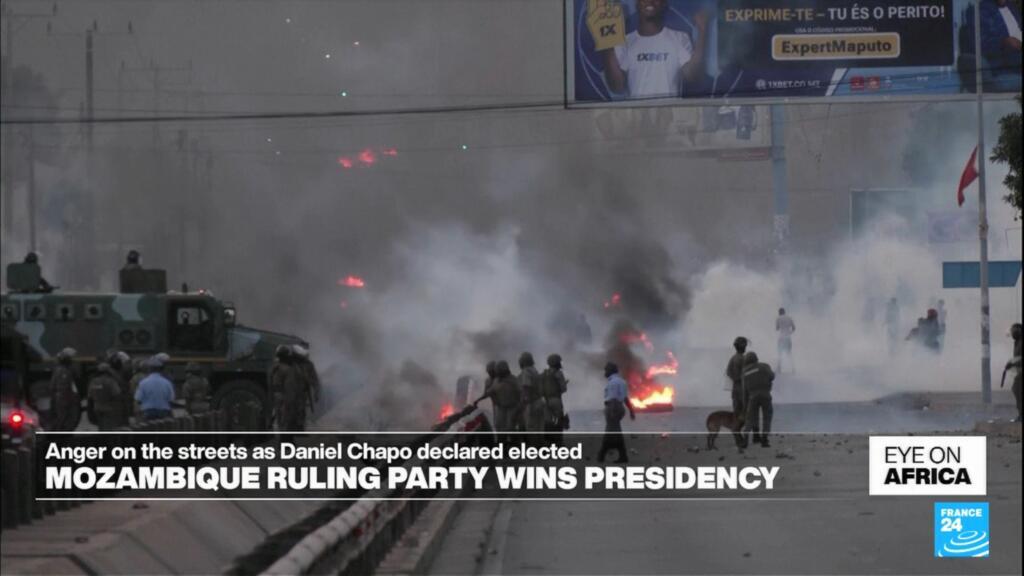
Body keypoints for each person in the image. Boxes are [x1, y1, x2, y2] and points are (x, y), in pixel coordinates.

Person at [601, 0, 708, 99]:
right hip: (637, 116)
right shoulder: (624, 43)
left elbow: (692, 76)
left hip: (670, 115)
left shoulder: (679, 38)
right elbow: (617, 86)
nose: (650, 1)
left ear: (664, 3)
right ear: (637, 3)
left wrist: (702, 32)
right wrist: (608, 40)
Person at [980, 0, 1022, 92]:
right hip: (1005, 62)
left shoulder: (1011, 6)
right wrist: (1004, 41)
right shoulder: (982, 10)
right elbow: (982, 45)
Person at [598, 361, 635, 463]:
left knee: (610, 431)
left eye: (606, 370)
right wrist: (631, 410)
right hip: (619, 407)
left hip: (613, 407)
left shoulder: (613, 383)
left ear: (610, 371)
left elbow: (613, 398)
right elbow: (625, 398)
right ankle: (622, 456)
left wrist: (613, 412)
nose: (604, 372)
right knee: (615, 431)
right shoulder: (621, 381)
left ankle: (602, 454)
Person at [480, 360, 521, 441]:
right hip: (499, 406)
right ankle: (502, 443)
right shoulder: (494, 381)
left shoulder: (512, 379)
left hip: (512, 406)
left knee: (511, 427)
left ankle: (514, 444)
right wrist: (478, 400)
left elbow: (519, 392)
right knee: (499, 425)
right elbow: (488, 392)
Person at [741, 351, 775, 448]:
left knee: (750, 418)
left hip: (752, 397)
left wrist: (745, 405)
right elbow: (772, 376)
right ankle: (764, 440)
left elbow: (744, 391)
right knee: (767, 417)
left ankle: (745, 438)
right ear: (756, 359)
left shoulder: (744, 372)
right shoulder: (764, 366)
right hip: (765, 395)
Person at [270, 346, 306, 433]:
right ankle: (286, 443)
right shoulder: (287, 369)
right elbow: (290, 387)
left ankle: (284, 442)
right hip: (285, 397)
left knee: (281, 421)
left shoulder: (275, 367)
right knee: (287, 422)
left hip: (277, 396)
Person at [725, 336, 749, 449]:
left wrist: (736, 379)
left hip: (736, 390)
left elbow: (728, 372)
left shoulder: (733, 358)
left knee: (737, 414)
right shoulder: (743, 359)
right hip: (743, 390)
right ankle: (741, 439)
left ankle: (739, 439)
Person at [88, 362, 127, 430]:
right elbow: (117, 394)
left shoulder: (93, 381)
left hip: (97, 407)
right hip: (109, 408)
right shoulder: (110, 381)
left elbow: (90, 395)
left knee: (101, 427)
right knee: (109, 428)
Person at [135, 356, 175, 421]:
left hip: (147, 412)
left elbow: (138, 400)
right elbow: (171, 399)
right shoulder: (167, 383)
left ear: (149, 369)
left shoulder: (143, 383)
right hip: (163, 412)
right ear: (161, 369)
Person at [540, 354, 569, 444]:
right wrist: (565, 383)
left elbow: (540, 387)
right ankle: (558, 443)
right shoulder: (558, 373)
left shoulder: (544, 373)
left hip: (545, 401)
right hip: (556, 400)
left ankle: (548, 442)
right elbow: (563, 389)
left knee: (548, 422)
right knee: (558, 422)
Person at [49, 348, 80, 431]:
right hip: (66, 399)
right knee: (66, 420)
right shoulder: (64, 370)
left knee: (65, 420)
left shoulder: (62, 369)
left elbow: (52, 386)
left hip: (65, 398)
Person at [518, 352, 545, 442]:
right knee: (540, 427)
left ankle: (533, 449)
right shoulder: (534, 370)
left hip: (531, 403)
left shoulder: (526, 372)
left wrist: (523, 402)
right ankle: (542, 448)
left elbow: (526, 387)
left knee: (531, 427)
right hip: (539, 401)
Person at [292, 345, 320, 417]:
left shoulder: (308, 364)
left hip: (302, 393)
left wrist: (316, 392)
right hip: (290, 393)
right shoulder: (290, 363)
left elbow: (315, 379)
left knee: (300, 414)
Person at [1005, 323, 1022, 422]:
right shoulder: (1017, 342)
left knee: (1017, 390)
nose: (1013, 333)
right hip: (1019, 372)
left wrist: (1012, 364)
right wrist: (1010, 363)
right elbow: (1017, 358)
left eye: (1015, 330)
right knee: (1016, 390)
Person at [775, 307, 796, 373]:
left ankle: (779, 368)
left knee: (780, 353)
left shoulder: (778, 318)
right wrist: (790, 333)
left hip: (781, 338)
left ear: (779, 312)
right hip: (788, 338)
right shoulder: (789, 318)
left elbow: (777, 328)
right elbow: (794, 328)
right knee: (789, 353)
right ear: (784, 312)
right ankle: (793, 368)